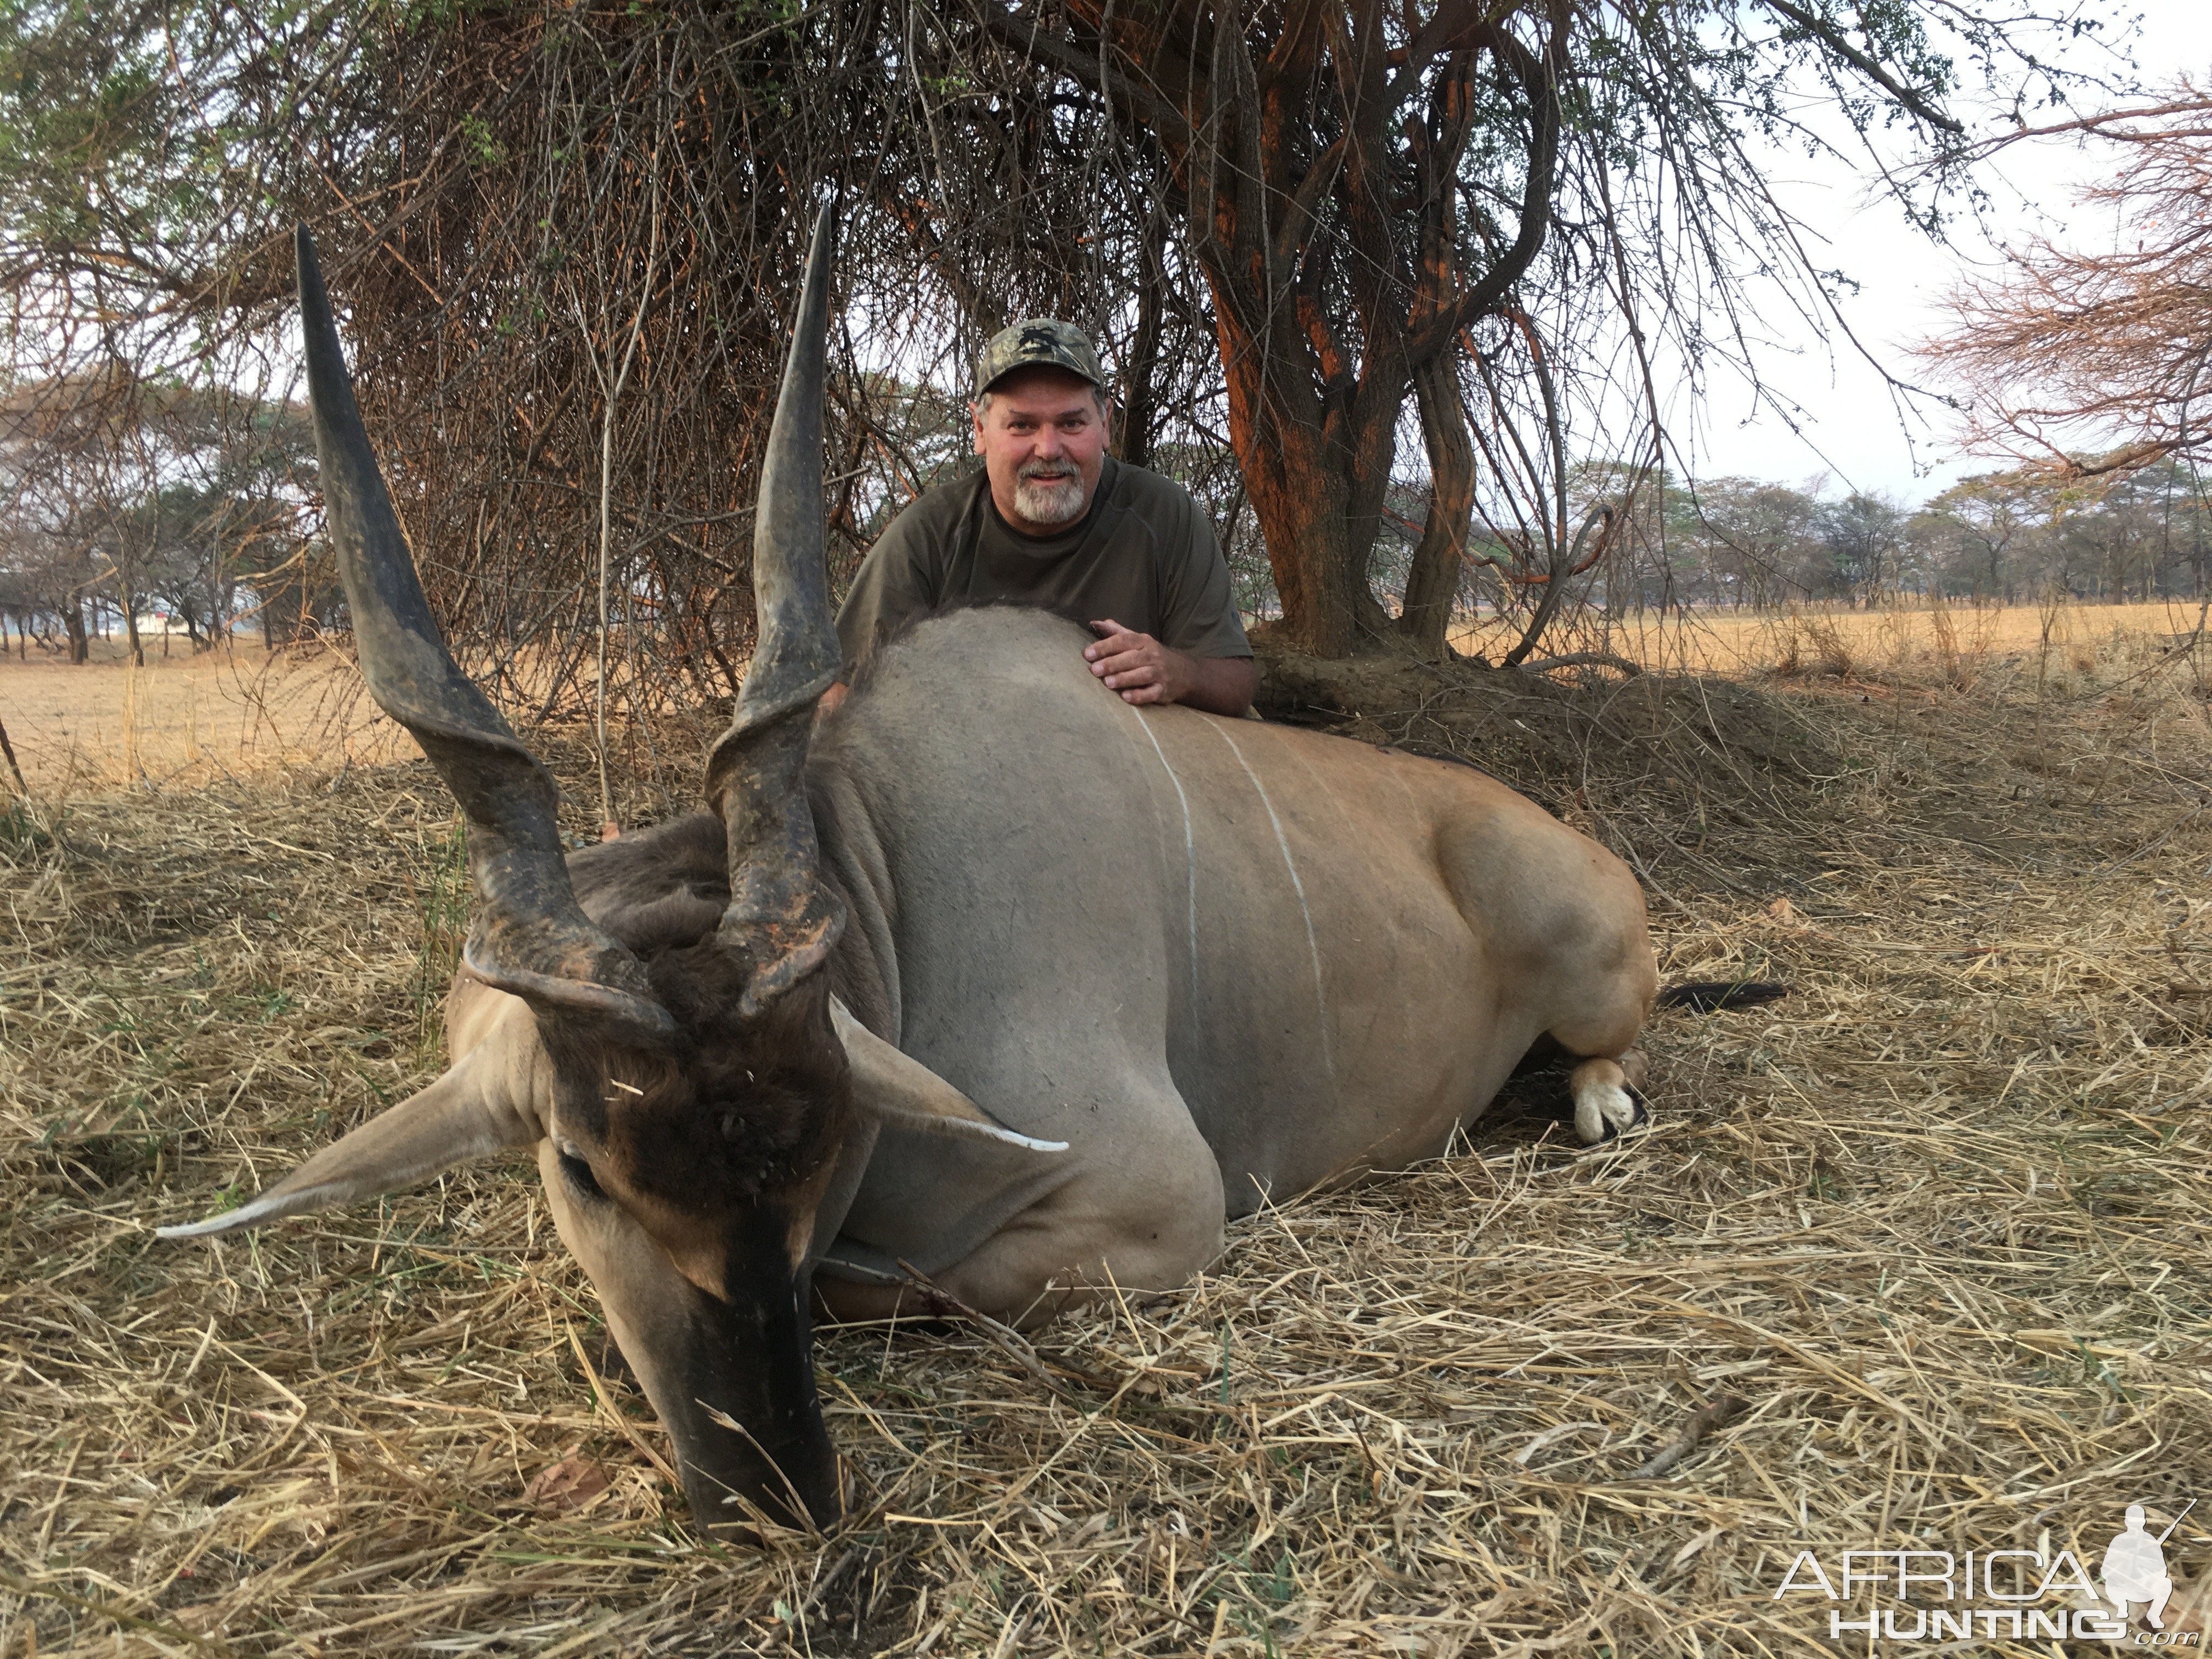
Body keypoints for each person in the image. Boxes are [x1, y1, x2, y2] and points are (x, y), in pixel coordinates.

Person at [825, 319, 1257, 718]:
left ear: (1105, 424)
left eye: (1071, 424)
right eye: (1022, 426)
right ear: (979, 429)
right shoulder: (928, 537)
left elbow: (1237, 684)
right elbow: (838, 697)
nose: (1049, 449)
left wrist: (1177, 672)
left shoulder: (1165, 515)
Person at [2102, 1505, 2176, 1629]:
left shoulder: (2149, 1540)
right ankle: (2123, 1611)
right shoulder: (2119, 1540)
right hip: (2123, 1585)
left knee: (2166, 1583)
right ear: (2126, 1522)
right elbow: (2106, 1569)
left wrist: (2149, 1576)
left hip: (2146, 1585)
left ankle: (2154, 1616)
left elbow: (2161, 1567)